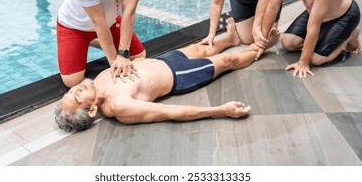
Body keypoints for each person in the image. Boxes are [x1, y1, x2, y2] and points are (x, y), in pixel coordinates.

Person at [54, 18, 280, 132]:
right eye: (75, 97)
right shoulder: (119, 106)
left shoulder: (97, 82)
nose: (75, 89)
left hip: (165, 60)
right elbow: (170, 112)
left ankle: (229, 40)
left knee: (202, 47)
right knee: (227, 61)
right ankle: (260, 48)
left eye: (71, 92)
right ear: (92, 109)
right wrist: (221, 110)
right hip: (180, 75)